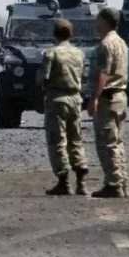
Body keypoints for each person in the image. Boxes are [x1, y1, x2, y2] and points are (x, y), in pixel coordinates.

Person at [36, 19, 87, 196]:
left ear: (54, 34)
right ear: (70, 34)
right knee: (76, 139)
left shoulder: (51, 53)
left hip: (57, 99)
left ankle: (63, 181)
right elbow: (83, 76)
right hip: (76, 99)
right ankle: (81, 181)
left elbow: (42, 78)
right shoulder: (79, 53)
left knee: (57, 140)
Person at [88, 7, 129, 198]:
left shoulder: (106, 44)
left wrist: (94, 98)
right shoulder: (120, 42)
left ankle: (114, 184)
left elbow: (102, 74)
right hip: (120, 95)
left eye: (98, 19)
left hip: (108, 98)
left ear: (105, 21)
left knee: (106, 142)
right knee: (117, 142)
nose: (96, 23)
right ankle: (122, 181)